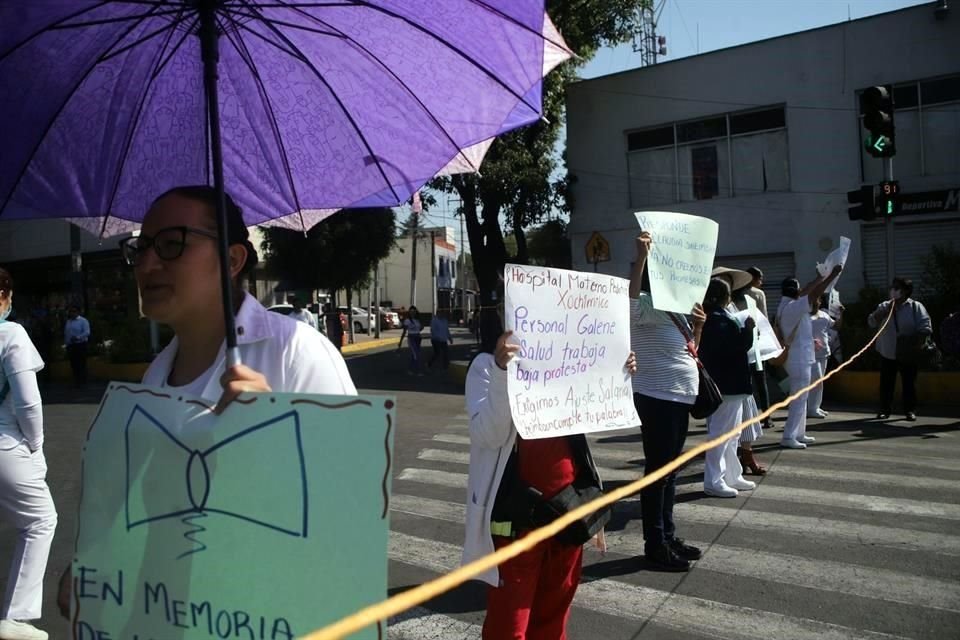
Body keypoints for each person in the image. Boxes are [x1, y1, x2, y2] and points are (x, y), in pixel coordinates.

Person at [57, 184, 357, 616]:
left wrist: (274, 443)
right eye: (140, 248)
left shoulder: (294, 353)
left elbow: (350, 514)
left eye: (172, 244)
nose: (147, 262)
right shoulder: (153, 377)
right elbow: (139, 513)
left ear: (232, 260)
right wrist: (95, 565)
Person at [462, 318, 636, 639]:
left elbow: (601, 410)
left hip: (569, 514)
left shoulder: (568, 363)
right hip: (517, 524)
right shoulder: (486, 367)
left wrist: (617, 372)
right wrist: (503, 372)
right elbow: (488, 433)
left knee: (554, 621)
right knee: (509, 627)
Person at [629, 232, 705, 572]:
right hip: (657, 396)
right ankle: (655, 544)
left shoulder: (679, 310)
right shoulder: (646, 302)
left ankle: (668, 535)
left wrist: (699, 328)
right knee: (657, 473)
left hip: (678, 396)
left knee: (670, 472)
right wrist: (641, 257)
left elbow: (690, 353)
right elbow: (628, 304)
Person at [0, 267, 58, 640]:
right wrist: (36, 445)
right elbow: (28, 403)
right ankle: (15, 617)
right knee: (41, 520)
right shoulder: (11, 333)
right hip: (6, 445)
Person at [698, 278, 758, 497]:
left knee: (732, 434)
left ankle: (732, 474)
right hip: (727, 385)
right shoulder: (717, 320)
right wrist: (748, 330)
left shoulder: (715, 318)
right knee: (721, 434)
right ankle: (714, 480)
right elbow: (736, 346)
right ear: (725, 297)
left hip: (728, 385)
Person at [776, 266, 842, 449]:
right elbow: (813, 294)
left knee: (802, 398)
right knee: (799, 398)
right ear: (796, 291)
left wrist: (819, 277)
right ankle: (789, 436)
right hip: (798, 359)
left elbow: (807, 291)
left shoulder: (787, 305)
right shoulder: (793, 307)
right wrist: (830, 276)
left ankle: (799, 433)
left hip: (799, 357)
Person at [867, 277, 933, 421]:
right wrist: (883, 312)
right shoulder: (885, 305)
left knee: (909, 383)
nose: (894, 291)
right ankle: (884, 409)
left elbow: (925, 326)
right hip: (887, 351)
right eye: (893, 287)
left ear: (906, 291)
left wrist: (917, 341)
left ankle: (910, 410)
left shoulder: (915, 307)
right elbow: (871, 322)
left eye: (898, 288)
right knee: (886, 383)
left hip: (908, 352)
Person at [807, 295, 839, 419]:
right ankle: (811, 409)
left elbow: (835, 326)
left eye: (817, 300)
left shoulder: (824, 314)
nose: (815, 303)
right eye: (813, 301)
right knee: (816, 380)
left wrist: (841, 314)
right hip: (811, 353)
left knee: (820, 381)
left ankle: (816, 407)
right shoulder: (805, 316)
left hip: (824, 353)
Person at [63, 304, 90, 387]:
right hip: (71, 345)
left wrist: (78, 337)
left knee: (81, 363)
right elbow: (66, 333)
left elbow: (87, 332)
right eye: (70, 311)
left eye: (74, 311)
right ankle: (76, 380)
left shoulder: (83, 321)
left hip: (80, 344)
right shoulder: (68, 321)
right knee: (73, 364)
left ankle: (82, 381)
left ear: (78, 312)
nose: (72, 313)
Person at [398, 306, 423, 374]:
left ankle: (410, 369)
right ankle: (417, 370)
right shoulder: (407, 321)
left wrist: (419, 329)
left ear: (416, 312)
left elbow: (421, 328)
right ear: (409, 312)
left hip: (418, 338)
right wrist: (400, 341)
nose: (412, 313)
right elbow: (404, 331)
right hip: (411, 338)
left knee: (414, 355)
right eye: (411, 312)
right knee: (416, 354)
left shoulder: (418, 320)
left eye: (414, 311)